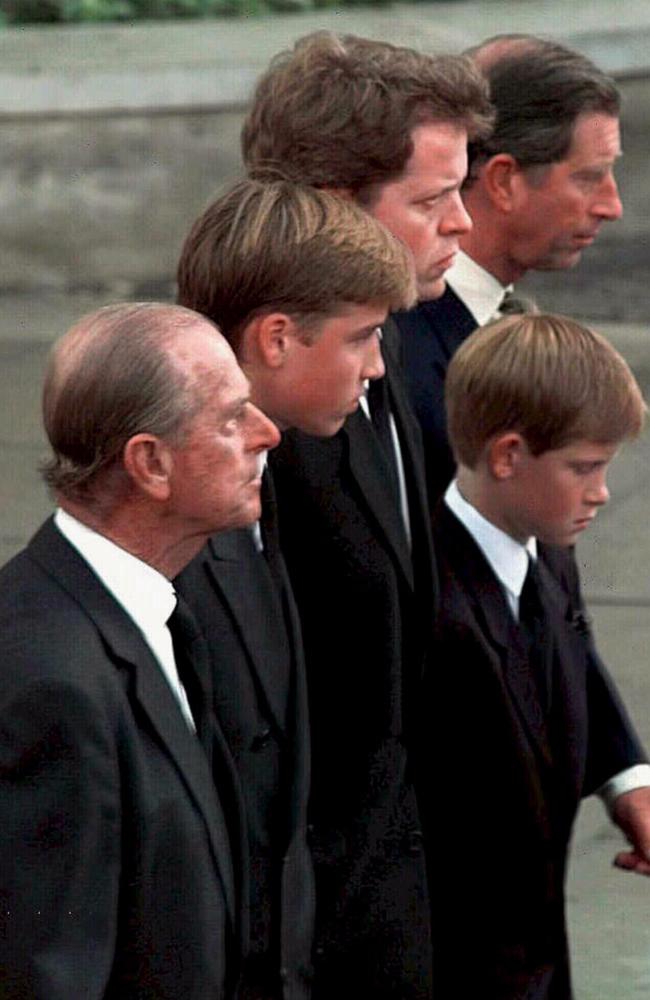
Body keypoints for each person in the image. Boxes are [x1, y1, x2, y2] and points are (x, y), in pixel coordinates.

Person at [240, 32, 493, 998]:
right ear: (336, 208)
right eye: (432, 202)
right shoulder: (265, 430)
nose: (461, 226)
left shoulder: (393, 352)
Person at [174, 177, 416, 999]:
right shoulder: (192, 531)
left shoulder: (267, 485)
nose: (378, 367)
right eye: (362, 339)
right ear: (276, 338)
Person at [0, 302, 280, 999]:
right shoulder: (50, 681)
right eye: (229, 418)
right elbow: (51, 973)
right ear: (150, 463)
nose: (267, 433)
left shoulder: (148, 610)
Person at [422, 312, 650, 998]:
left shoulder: (551, 554)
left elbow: (573, 662)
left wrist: (627, 781)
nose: (602, 492)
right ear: (507, 454)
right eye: (584, 467)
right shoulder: (430, 603)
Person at [396, 35, 625, 501]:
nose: (612, 205)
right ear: (502, 182)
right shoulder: (401, 356)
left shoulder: (469, 325)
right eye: (587, 177)